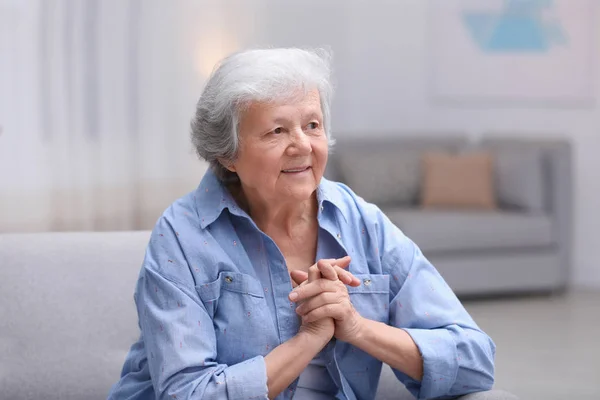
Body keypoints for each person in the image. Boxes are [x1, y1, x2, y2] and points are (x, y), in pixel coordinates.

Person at [108, 48, 500, 400]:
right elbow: (186, 394)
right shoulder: (182, 236)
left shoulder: (362, 223)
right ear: (228, 155)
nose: (303, 146)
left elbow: (474, 360)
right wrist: (309, 339)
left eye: (312, 126)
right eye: (277, 131)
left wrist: (356, 327)